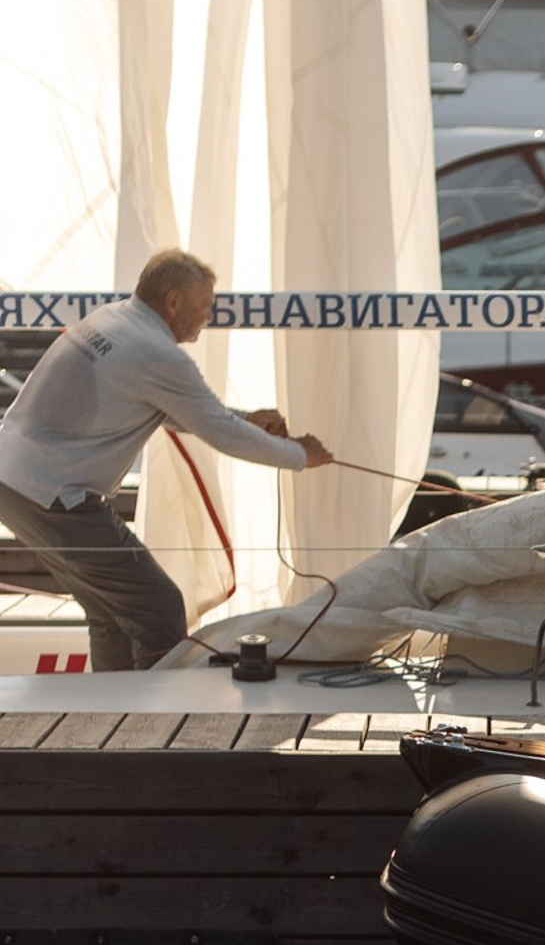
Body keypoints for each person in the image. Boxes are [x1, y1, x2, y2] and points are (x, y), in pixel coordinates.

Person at [0, 249, 332, 671]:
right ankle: (148, 723)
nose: (209, 316)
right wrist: (302, 455)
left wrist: (247, 418)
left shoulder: (113, 319)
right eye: (205, 305)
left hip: (13, 480)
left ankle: (109, 717)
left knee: (112, 612)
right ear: (174, 301)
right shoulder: (155, 351)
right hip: (51, 493)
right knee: (159, 607)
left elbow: (174, 410)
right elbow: (221, 433)